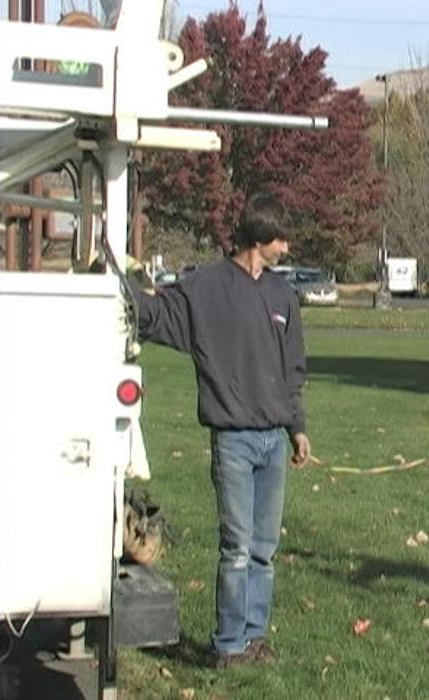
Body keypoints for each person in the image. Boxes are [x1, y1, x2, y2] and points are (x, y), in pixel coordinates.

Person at [129, 192, 311, 667]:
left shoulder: (283, 295)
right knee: (237, 548)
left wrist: (297, 428)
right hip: (232, 441)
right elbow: (158, 316)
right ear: (260, 237)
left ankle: (254, 637)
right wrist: (120, 290)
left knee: (264, 550)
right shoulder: (206, 287)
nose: (286, 249)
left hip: (273, 442)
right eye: (281, 240)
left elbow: (293, 368)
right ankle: (228, 646)